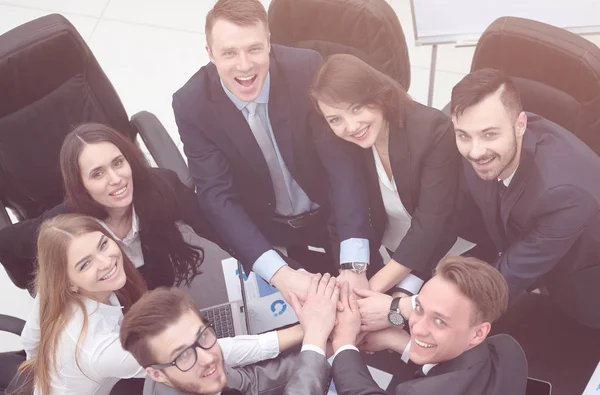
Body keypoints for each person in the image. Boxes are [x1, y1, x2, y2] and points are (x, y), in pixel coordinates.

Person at [0, 215, 304, 395]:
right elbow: (213, 351)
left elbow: (30, 339)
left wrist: (43, 369)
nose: (106, 261)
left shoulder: (57, 291)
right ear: (69, 282)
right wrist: (301, 332)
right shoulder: (97, 349)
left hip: (30, 390)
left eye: (103, 244)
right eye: (85, 263)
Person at [173, 0, 374, 303]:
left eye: (254, 48)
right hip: (267, 232)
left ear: (269, 42)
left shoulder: (305, 68)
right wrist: (279, 273)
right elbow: (217, 197)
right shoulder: (191, 103)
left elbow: (341, 165)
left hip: (332, 214)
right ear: (210, 54)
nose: (244, 65)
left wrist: (354, 263)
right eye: (229, 53)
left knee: (367, 300)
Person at [310, 53, 472, 330]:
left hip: (450, 248)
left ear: (378, 96)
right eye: (335, 119)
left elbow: (432, 224)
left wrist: (370, 291)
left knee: (412, 320)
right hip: (394, 251)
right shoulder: (346, 143)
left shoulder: (432, 130)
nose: (350, 126)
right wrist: (351, 272)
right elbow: (343, 208)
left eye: (357, 109)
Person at [330, 256, 528, 395]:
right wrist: (401, 343)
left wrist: (344, 342)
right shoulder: (508, 350)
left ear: (478, 333)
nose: (418, 329)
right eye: (419, 308)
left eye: (439, 321)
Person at [451, 68, 600, 328]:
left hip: (584, 281)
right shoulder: (479, 140)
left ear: (521, 125)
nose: (474, 152)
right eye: (463, 135)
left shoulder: (566, 193)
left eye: (489, 134)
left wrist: (415, 307)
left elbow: (508, 277)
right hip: (526, 250)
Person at [120, 276, 337, 395]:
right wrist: (315, 341)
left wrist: (326, 343)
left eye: (202, 336)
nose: (208, 358)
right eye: (183, 356)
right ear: (156, 374)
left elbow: (252, 384)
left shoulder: (167, 371)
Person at [0, 122, 216, 291]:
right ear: (81, 185)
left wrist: (249, 255)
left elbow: (214, 222)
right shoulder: (63, 224)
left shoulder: (160, 186)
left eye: (118, 163)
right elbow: (7, 243)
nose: (116, 179)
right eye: (97, 173)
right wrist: (41, 283)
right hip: (105, 308)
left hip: (158, 287)